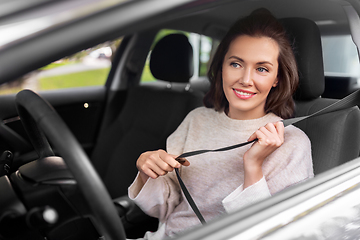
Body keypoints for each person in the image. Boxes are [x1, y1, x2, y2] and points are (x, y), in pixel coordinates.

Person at [128, 8, 313, 240]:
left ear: (277, 78)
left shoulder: (293, 143)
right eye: (236, 64)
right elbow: (165, 208)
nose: (245, 80)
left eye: (262, 69)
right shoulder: (196, 120)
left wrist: (253, 166)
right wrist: (147, 171)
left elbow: (278, 233)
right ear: (221, 67)